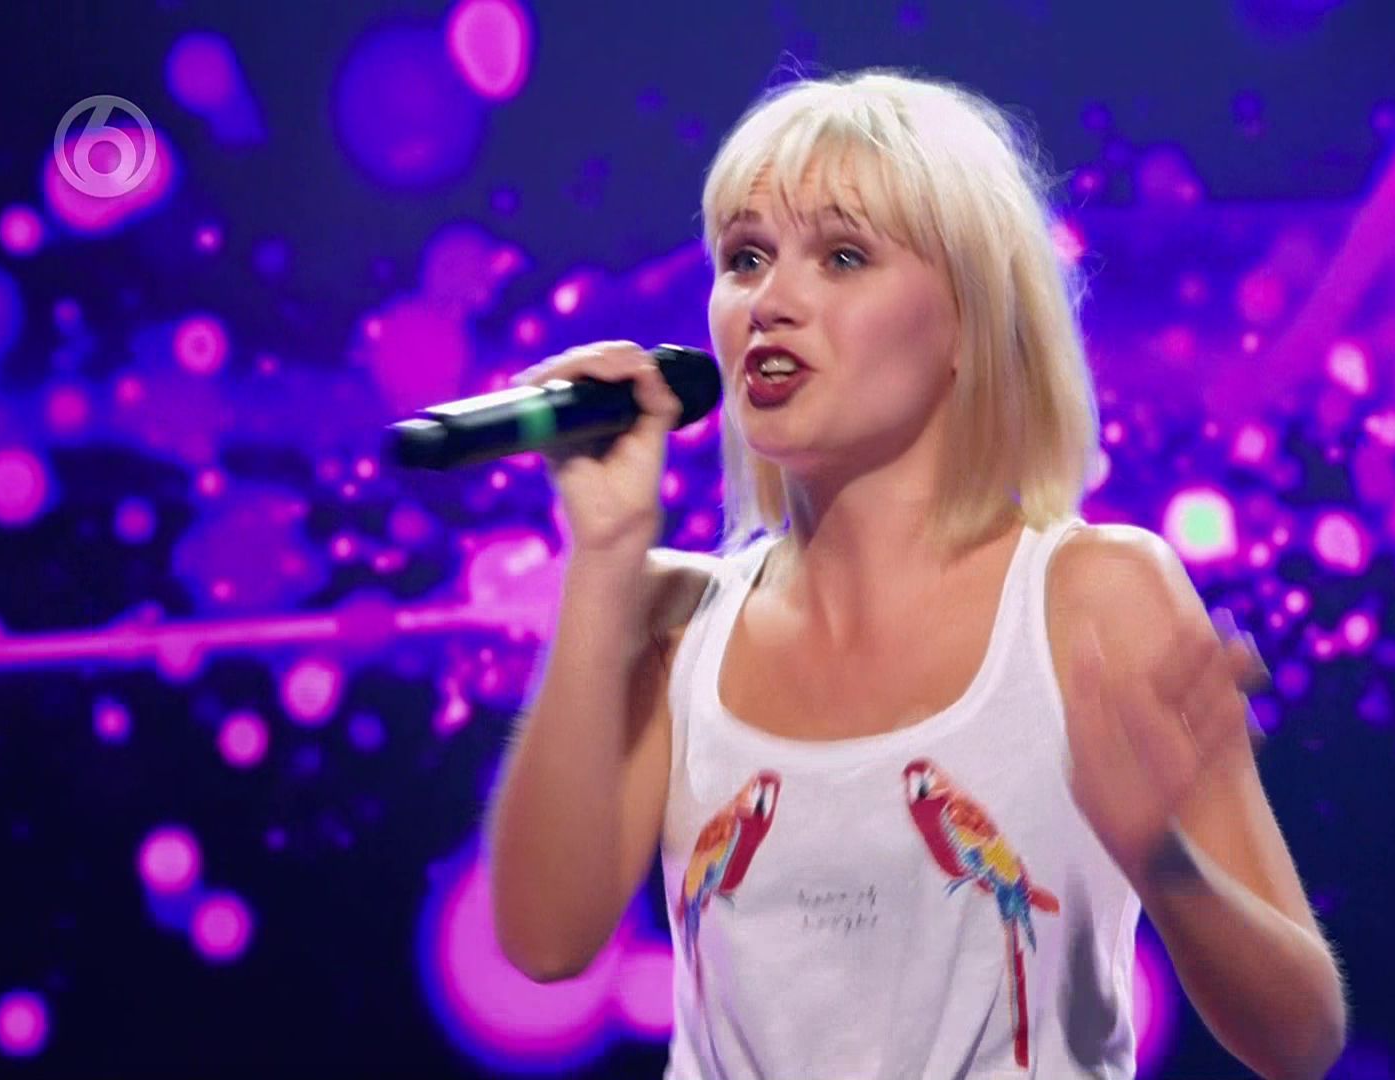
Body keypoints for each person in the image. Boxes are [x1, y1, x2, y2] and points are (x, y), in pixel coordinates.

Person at [484, 69, 1348, 1080]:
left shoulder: (1093, 595)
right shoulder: (671, 615)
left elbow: (1300, 1038)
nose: (770, 302)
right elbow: (544, 945)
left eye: (843, 256)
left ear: (969, 325)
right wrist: (604, 552)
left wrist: (1162, 861)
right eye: (746, 258)